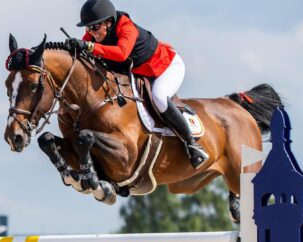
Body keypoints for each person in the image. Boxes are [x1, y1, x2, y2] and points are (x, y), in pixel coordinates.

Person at [66, 0, 208, 169]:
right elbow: (86, 51)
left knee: (159, 97)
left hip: (166, 67)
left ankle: (191, 144)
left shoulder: (126, 27)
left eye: (95, 28)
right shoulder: (94, 32)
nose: (91, 33)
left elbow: (121, 53)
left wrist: (89, 47)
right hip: (140, 74)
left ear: (109, 22)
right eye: (88, 28)